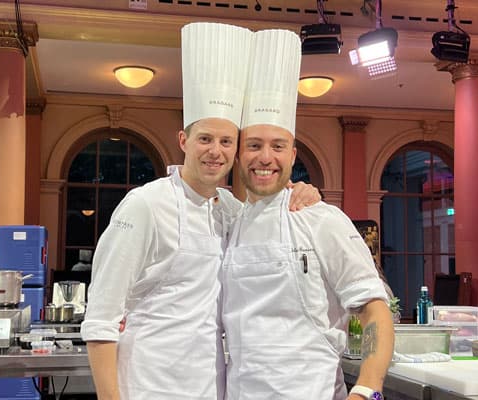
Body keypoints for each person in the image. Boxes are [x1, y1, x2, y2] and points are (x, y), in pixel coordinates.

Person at [81, 22, 320, 400]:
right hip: (147, 384)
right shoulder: (145, 204)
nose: (216, 151)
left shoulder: (230, 210)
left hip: (213, 386)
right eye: (205, 139)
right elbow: (101, 320)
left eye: (227, 141)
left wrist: (305, 192)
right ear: (183, 141)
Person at [221, 29, 395, 400]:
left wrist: (367, 390)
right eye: (254, 145)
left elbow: (374, 309)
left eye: (277, 146)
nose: (265, 157)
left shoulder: (321, 218)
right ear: (239, 155)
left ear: (293, 155)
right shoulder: (229, 222)